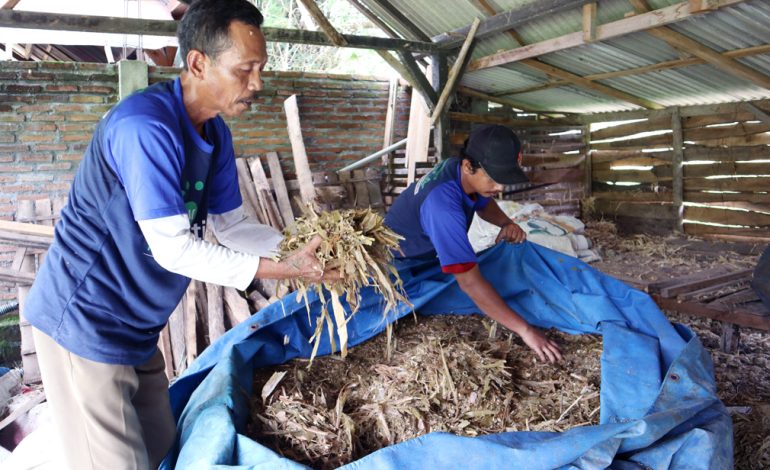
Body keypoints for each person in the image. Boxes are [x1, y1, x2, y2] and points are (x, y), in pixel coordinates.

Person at [23, 1, 334, 468]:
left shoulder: (214, 133)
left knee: (163, 447)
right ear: (197, 63)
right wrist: (283, 269)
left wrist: (301, 249)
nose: (257, 83)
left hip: (136, 327)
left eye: (261, 69)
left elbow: (232, 226)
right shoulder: (144, 127)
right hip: (86, 324)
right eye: (245, 69)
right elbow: (173, 250)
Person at [384, 124, 563, 363]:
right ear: (468, 166)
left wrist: (506, 223)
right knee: (466, 289)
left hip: (426, 251)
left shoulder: (458, 168)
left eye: (503, 179)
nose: (500, 188)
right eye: (493, 179)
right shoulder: (443, 209)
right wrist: (526, 330)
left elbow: (482, 200)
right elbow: (469, 282)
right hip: (402, 266)